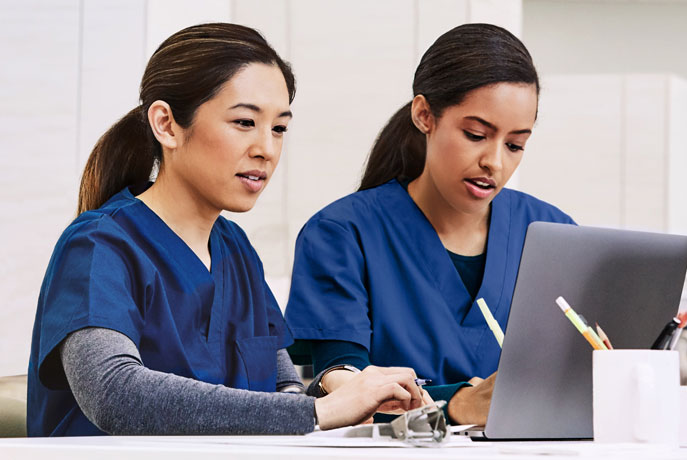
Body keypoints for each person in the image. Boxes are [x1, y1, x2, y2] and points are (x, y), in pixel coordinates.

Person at [26, 23, 425, 437]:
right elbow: (114, 393)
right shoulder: (98, 246)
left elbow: (282, 389)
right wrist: (319, 411)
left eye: (279, 128)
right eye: (244, 122)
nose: (266, 149)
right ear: (166, 125)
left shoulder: (235, 249)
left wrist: (345, 400)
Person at [284, 23, 575, 426]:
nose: (495, 162)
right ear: (424, 115)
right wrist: (455, 403)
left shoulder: (552, 233)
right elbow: (345, 387)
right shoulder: (341, 233)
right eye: (476, 134)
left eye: (515, 145)